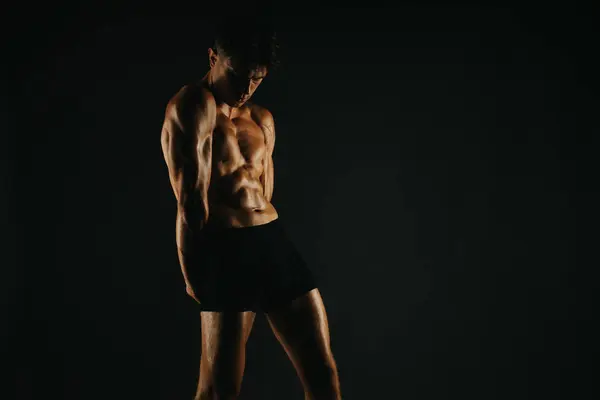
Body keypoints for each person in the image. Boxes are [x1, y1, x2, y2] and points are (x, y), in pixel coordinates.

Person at [160, 15, 342, 400]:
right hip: (225, 251)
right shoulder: (193, 106)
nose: (246, 87)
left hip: (273, 245)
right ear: (213, 57)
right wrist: (193, 273)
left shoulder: (261, 119)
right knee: (219, 390)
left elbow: (265, 193)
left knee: (323, 374)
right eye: (238, 73)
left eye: (256, 78)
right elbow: (189, 199)